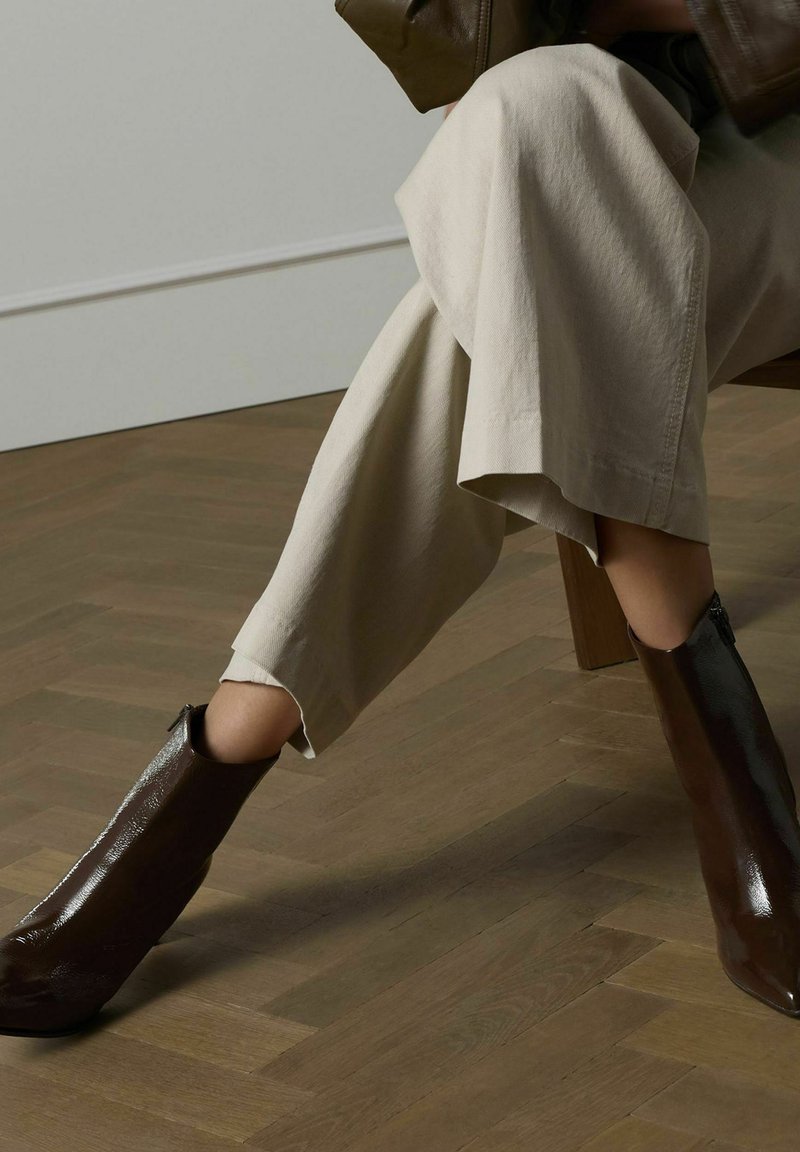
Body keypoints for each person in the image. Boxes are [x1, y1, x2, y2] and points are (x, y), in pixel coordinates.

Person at [3, 0, 800, 1036]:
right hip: (607, 135)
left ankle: (222, 750)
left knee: (495, 299)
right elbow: (440, 40)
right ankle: (724, 756)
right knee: (534, 108)